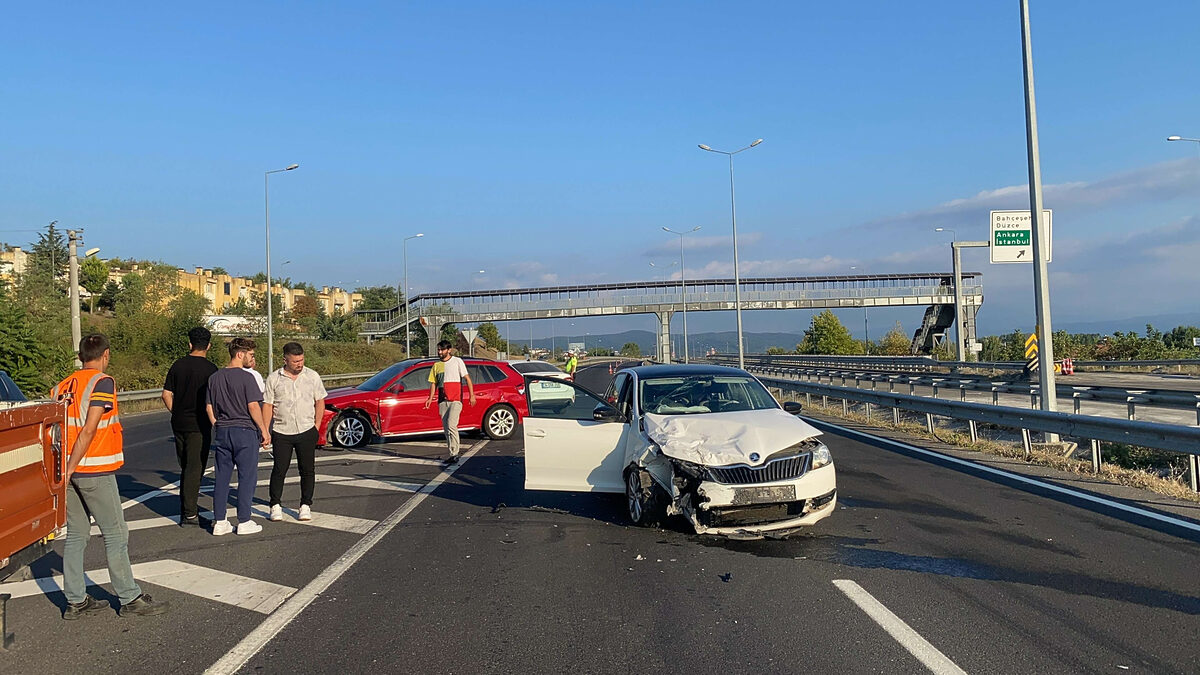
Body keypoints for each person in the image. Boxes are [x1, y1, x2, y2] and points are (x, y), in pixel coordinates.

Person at [53, 334, 169, 619]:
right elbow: (89, 428)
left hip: (68, 471)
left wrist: (64, 470)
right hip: (93, 468)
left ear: (81, 356)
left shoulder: (61, 386)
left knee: (77, 535)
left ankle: (75, 600)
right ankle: (130, 599)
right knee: (116, 534)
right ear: (105, 355)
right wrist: (72, 466)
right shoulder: (102, 382)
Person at [205, 337, 271, 536]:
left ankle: (220, 521)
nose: (252, 358)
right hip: (244, 431)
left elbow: (209, 407)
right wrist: (264, 430)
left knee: (222, 478)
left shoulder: (214, 377)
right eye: (250, 354)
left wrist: (217, 424)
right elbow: (253, 406)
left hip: (223, 431)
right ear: (240, 354)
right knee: (246, 477)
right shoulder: (247, 377)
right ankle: (244, 520)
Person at [162, 326, 218, 527]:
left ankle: (186, 508)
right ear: (209, 346)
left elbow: (166, 394)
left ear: (190, 344)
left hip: (178, 423)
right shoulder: (211, 370)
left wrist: (175, 412)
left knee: (185, 465)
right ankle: (190, 513)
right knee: (195, 468)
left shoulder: (177, 365)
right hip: (200, 424)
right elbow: (215, 401)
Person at [263, 342, 326, 522]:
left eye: (301, 360)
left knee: (307, 470)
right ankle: (275, 505)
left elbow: (320, 401)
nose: (299, 364)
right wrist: (265, 430)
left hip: (307, 429)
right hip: (282, 431)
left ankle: (305, 505)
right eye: (295, 361)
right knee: (279, 469)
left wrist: (317, 425)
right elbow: (267, 405)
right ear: (285, 360)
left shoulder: (312, 376)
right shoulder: (274, 378)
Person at [423, 339, 475, 464]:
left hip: (456, 399)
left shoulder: (457, 361)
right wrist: (430, 398)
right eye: (439, 350)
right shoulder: (436, 365)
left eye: (442, 350)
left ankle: (455, 453)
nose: (440, 352)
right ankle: (452, 454)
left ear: (449, 350)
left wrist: (472, 395)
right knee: (446, 428)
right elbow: (433, 383)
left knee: (452, 425)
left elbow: (467, 378)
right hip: (442, 400)